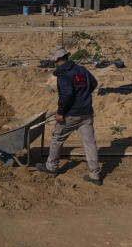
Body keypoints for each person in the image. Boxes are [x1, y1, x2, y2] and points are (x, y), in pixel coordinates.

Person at [36, 46, 102, 185]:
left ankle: (51, 167)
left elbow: (67, 94)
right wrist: (83, 96)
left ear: (58, 60)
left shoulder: (63, 74)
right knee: (90, 143)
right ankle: (94, 175)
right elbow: (94, 83)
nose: (54, 64)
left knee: (57, 137)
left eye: (55, 61)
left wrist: (60, 112)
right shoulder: (81, 70)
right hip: (86, 113)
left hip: (70, 114)